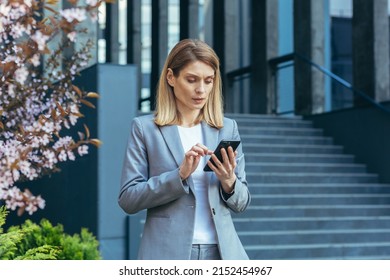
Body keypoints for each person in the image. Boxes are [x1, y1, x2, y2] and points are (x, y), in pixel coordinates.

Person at [118, 39, 251, 260]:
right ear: (171, 77)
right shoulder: (145, 129)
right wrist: (179, 175)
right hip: (168, 253)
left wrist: (229, 182)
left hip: (222, 253)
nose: (201, 89)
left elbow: (242, 202)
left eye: (208, 81)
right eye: (192, 80)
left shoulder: (227, 129)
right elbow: (128, 199)